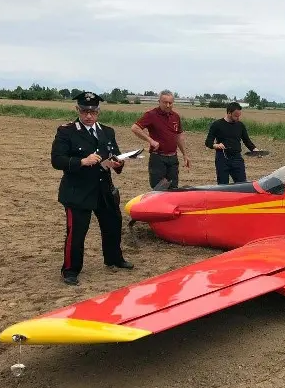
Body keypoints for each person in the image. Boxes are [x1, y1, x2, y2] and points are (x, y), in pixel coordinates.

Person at [51, 91, 134, 286]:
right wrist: (82, 161)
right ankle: (70, 270)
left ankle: (114, 258)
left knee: (113, 225)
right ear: (77, 110)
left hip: (104, 189)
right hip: (78, 191)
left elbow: (116, 155)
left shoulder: (107, 131)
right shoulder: (67, 131)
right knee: (77, 232)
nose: (89, 116)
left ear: (99, 111)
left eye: (93, 112)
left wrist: (117, 164)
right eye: (85, 111)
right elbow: (57, 160)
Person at [131, 90, 191, 189]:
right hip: (158, 159)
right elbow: (135, 128)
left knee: (173, 189)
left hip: (173, 159)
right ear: (159, 102)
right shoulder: (151, 115)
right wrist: (150, 140)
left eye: (170, 103)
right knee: (158, 189)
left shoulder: (175, 116)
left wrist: (185, 154)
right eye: (165, 102)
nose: (168, 105)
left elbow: (179, 136)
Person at [205, 102, 262, 184]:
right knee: (222, 185)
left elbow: (247, 141)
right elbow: (208, 142)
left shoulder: (240, 125)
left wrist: (256, 150)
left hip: (237, 158)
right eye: (236, 116)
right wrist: (216, 145)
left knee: (242, 185)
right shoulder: (217, 125)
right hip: (222, 158)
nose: (238, 118)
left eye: (239, 116)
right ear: (229, 113)